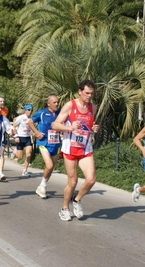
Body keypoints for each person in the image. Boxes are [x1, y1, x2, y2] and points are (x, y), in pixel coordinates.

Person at [52, 80, 99, 221]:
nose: (89, 96)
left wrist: (94, 128)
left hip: (85, 148)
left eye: (91, 93)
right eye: (86, 93)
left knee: (91, 180)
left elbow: (89, 125)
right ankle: (64, 208)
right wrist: (69, 128)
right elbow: (55, 125)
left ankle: (77, 200)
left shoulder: (93, 107)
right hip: (70, 148)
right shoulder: (70, 105)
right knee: (73, 181)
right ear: (79, 91)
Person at [28, 94, 61, 199]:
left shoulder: (60, 113)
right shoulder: (42, 113)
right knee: (50, 165)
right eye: (54, 102)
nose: (57, 104)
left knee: (50, 168)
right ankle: (43, 186)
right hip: (43, 143)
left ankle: (42, 186)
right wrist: (36, 132)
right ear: (49, 104)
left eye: (57, 102)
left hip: (55, 143)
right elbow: (30, 122)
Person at [12, 104, 34, 177]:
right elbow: (14, 126)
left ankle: (25, 171)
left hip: (27, 138)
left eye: (31, 110)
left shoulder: (32, 118)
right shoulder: (21, 118)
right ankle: (15, 152)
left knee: (29, 154)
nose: (30, 111)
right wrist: (16, 136)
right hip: (20, 138)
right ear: (25, 110)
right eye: (28, 110)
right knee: (20, 157)